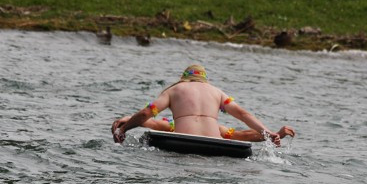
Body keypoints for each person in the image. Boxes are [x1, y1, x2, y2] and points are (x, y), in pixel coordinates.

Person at [112, 64, 280, 144]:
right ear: (204, 79)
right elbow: (244, 115)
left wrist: (123, 129)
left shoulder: (174, 90)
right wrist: (268, 133)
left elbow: (146, 114)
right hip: (216, 145)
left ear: (184, 77)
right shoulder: (218, 92)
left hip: (181, 143)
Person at [111, 114, 296, 146]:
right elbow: (149, 122)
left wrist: (276, 134)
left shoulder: (217, 128)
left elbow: (245, 135)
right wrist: (126, 121)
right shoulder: (173, 124)